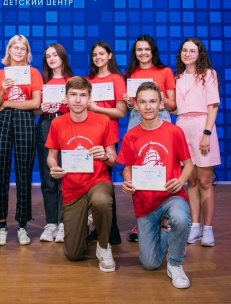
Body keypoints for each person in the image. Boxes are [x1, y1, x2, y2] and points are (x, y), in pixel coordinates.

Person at [118, 82, 194, 289]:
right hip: (145, 204)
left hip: (171, 196)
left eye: (152, 101)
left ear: (161, 104)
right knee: (150, 264)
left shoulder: (174, 132)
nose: (148, 106)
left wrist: (180, 181)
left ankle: (175, 264)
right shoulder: (130, 136)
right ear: (136, 105)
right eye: (143, 102)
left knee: (180, 218)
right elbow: (127, 168)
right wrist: (128, 181)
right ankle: (170, 235)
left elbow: (189, 165)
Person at [46, 76, 118, 272]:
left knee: (101, 201)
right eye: (73, 95)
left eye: (83, 95)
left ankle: (104, 247)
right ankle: (88, 222)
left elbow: (113, 159)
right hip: (72, 188)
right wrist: (54, 167)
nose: (78, 100)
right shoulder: (57, 123)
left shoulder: (103, 121)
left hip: (97, 181)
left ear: (89, 98)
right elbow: (51, 156)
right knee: (73, 254)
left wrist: (105, 156)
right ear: (66, 98)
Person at [0, 34, 43, 246]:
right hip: (1, 121)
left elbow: (35, 103)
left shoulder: (33, 73)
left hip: (24, 120)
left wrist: (8, 103)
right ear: (9, 50)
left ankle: (22, 225)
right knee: (0, 171)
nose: (19, 51)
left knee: (24, 172)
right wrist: (3, 90)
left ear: (27, 52)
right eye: (15, 47)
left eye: (23, 48)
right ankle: (2, 226)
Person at [123, 34, 177, 242]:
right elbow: (130, 106)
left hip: (161, 118)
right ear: (135, 52)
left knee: (164, 167)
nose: (143, 53)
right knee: (139, 171)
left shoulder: (165, 71)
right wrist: (129, 102)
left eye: (147, 49)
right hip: (137, 120)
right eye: (139, 49)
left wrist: (160, 98)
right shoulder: (130, 73)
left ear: (153, 51)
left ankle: (164, 220)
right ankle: (143, 221)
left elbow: (173, 105)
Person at [175, 38, 221, 247]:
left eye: (192, 51)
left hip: (202, 126)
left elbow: (213, 106)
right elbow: (175, 107)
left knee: (204, 181)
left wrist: (206, 133)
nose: (187, 54)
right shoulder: (177, 78)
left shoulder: (209, 74)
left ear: (199, 53)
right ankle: (195, 226)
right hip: (181, 127)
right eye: (184, 50)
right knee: (191, 180)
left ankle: (208, 229)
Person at [85, 41, 127, 245]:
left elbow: (121, 111)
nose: (98, 57)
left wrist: (96, 108)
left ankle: (111, 230)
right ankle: (96, 226)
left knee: (105, 182)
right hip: (88, 135)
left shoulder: (117, 79)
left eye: (102, 53)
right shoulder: (88, 80)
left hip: (108, 136)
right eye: (95, 54)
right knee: (89, 182)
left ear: (110, 55)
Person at [36, 43, 74, 243]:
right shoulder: (42, 81)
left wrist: (72, 104)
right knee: (48, 176)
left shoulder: (73, 81)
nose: (51, 58)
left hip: (68, 125)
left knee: (65, 176)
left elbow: (84, 105)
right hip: (46, 125)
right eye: (48, 56)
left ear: (62, 57)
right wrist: (40, 108)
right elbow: (35, 110)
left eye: (55, 55)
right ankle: (50, 223)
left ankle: (63, 222)